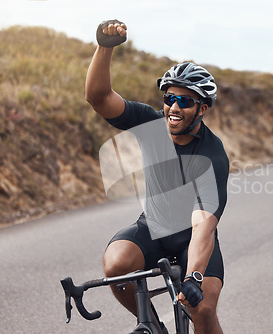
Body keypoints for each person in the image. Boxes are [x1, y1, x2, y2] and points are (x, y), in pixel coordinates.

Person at [85, 20, 229, 334]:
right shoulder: (151, 123)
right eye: (169, 98)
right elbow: (99, 97)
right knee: (117, 263)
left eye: (185, 101)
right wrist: (104, 47)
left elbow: (204, 226)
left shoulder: (212, 156)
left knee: (201, 308)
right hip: (153, 226)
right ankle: (153, 325)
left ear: (202, 109)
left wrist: (193, 277)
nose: (173, 107)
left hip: (192, 238)